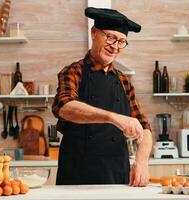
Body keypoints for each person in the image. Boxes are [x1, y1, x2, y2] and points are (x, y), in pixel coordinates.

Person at [52, 7, 153, 187]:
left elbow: (144, 128)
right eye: (110, 37)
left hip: (118, 176)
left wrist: (142, 162)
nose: (114, 46)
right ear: (94, 33)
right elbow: (64, 106)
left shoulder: (124, 81)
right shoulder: (74, 71)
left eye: (121, 41)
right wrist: (112, 117)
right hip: (77, 178)